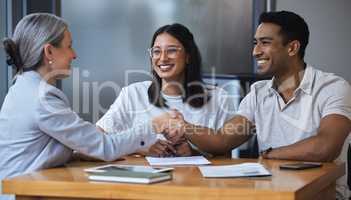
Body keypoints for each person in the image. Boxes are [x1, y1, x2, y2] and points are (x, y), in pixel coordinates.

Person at [170, 10, 351, 198]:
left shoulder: (333, 87)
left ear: (292, 48)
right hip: (272, 194)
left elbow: (325, 147)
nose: (255, 52)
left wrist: (271, 154)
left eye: (265, 43)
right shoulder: (259, 91)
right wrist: (184, 127)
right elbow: (222, 140)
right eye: (255, 43)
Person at [0, 13, 172, 190]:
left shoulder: (22, 88)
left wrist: (79, 153)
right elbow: (106, 147)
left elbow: (37, 150)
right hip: (22, 193)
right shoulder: (42, 98)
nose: (74, 55)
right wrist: (154, 125)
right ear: (49, 51)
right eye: (69, 46)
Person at [96, 23, 236, 157]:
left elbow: (226, 155)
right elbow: (98, 139)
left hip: (195, 180)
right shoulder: (133, 94)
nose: (162, 58)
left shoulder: (219, 97)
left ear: (188, 56)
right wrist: (140, 147)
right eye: (156, 51)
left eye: (172, 50)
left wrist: (194, 152)